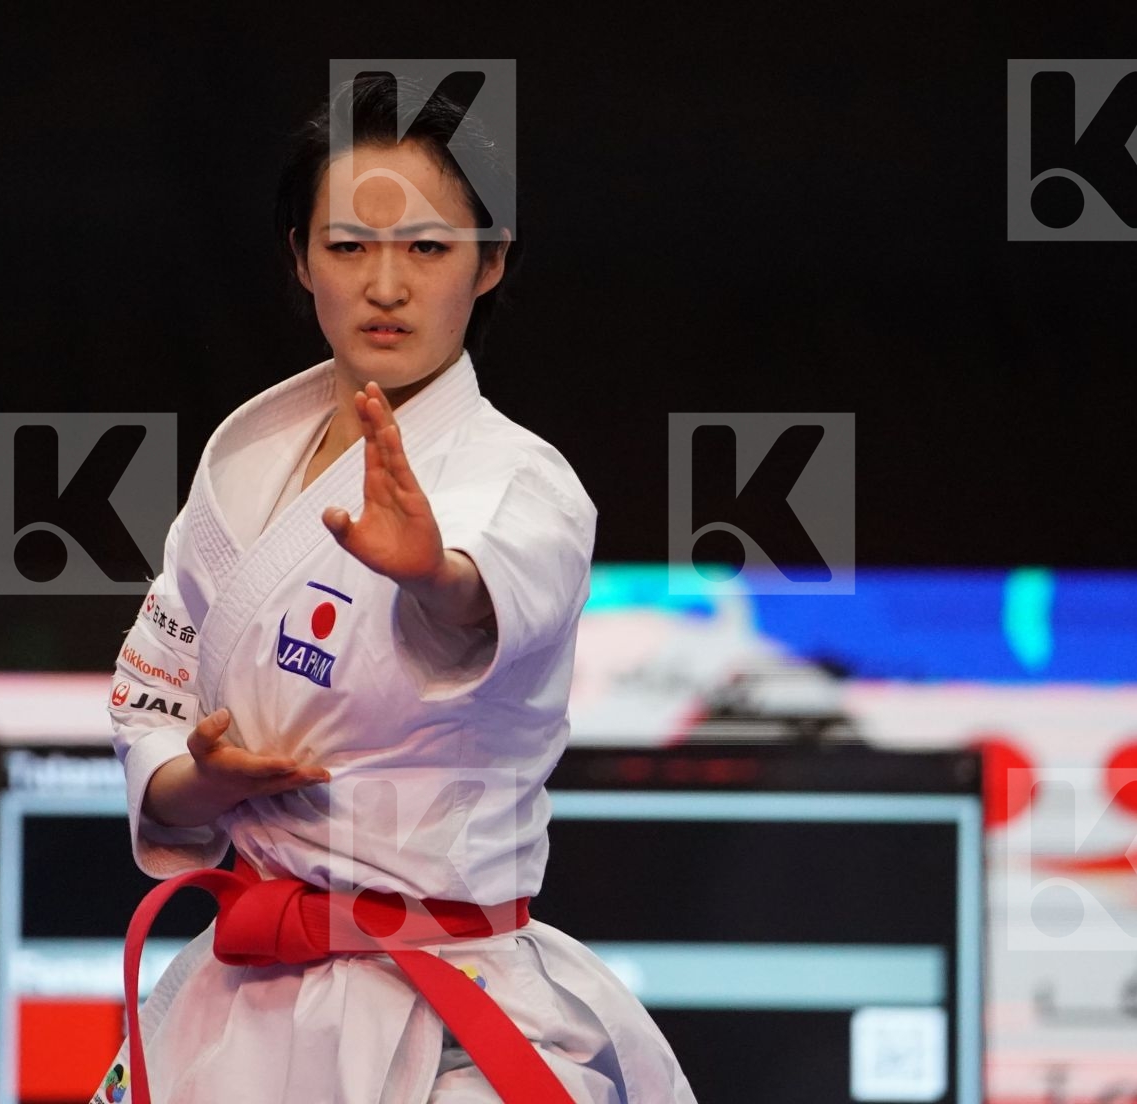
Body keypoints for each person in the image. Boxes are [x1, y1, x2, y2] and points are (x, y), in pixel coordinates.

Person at [92, 74, 696, 1104]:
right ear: (299, 260)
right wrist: (203, 784)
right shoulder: (241, 470)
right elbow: (152, 694)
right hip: (239, 995)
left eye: (427, 247)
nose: (386, 285)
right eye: (348, 246)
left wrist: (436, 576)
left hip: (451, 1002)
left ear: (490, 262)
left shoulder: (522, 484)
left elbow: (489, 602)